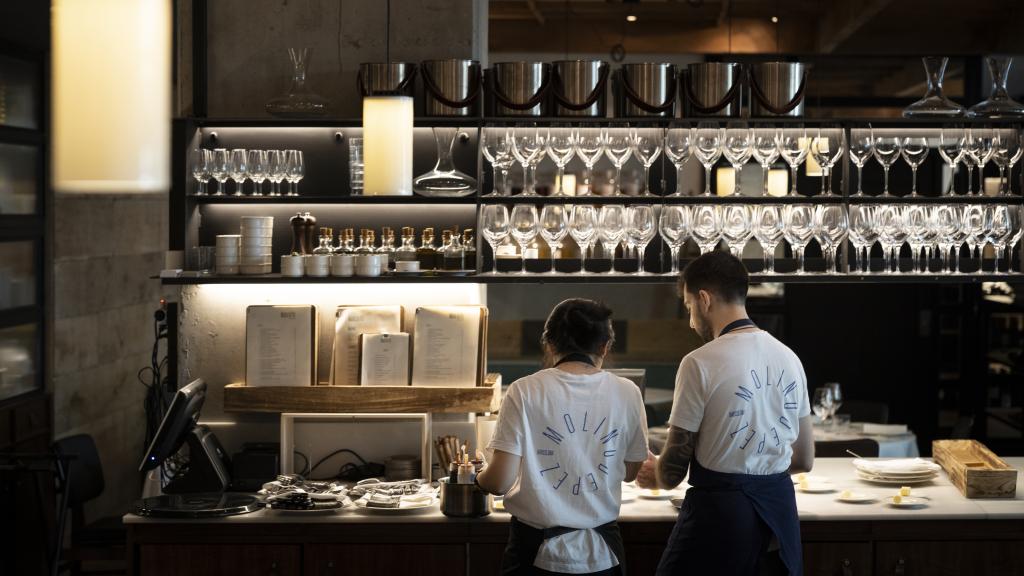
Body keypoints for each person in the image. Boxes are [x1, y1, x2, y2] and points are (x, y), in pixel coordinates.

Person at [637, 252, 814, 576]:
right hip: (779, 517)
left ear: (704, 299)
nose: (691, 320)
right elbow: (804, 459)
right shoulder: (789, 358)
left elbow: (673, 470)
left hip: (720, 521)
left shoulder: (699, 362)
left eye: (689, 305)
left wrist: (654, 474)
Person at [477, 298, 649, 575]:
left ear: (549, 344)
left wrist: (477, 476)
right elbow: (629, 472)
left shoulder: (525, 390)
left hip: (533, 551)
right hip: (605, 554)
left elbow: (498, 482)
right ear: (605, 346)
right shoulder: (627, 392)